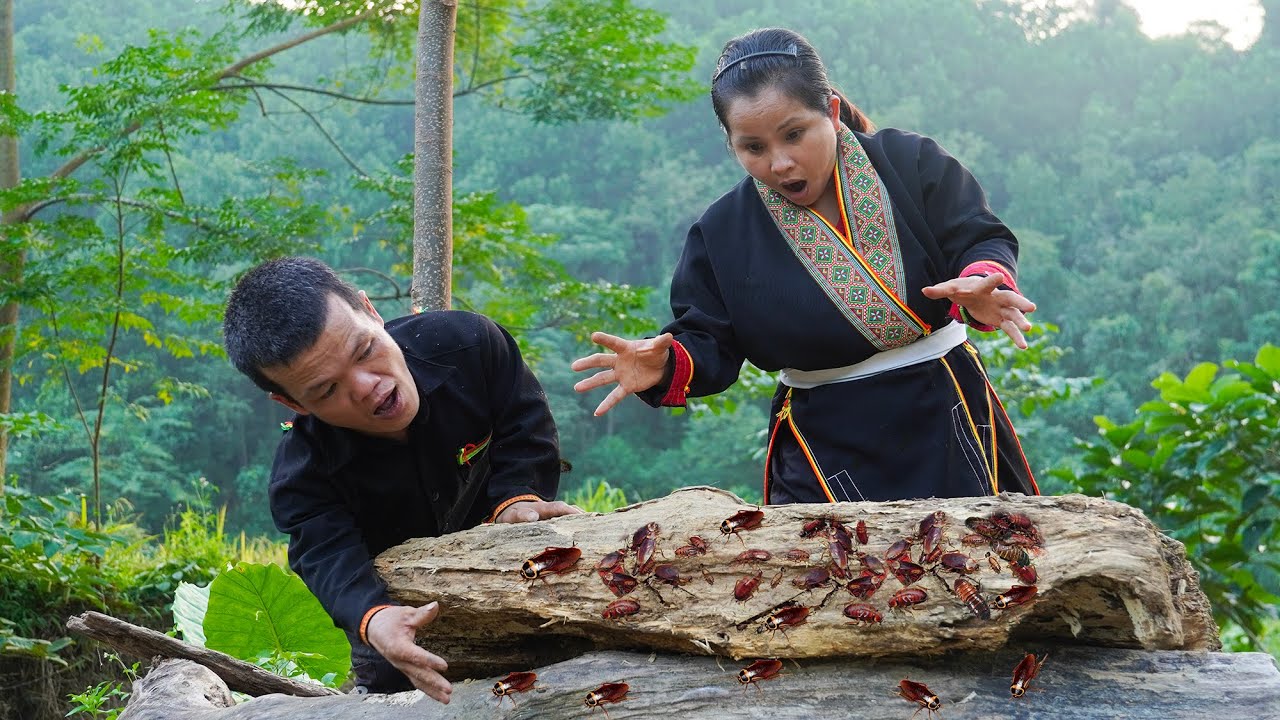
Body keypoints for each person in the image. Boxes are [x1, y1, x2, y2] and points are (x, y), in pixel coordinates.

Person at [571, 27, 1039, 504]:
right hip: (821, 442)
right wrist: (667, 362)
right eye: (753, 148)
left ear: (832, 113)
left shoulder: (910, 161)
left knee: (981, 565)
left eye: (794, 135)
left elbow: (977, 235)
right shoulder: (722, 233)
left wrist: (982, 286)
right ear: (730, 143)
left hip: (945, 409)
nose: (780, 163)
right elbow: (708, 337)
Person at [222, 256, 578, 703]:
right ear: (293, 404)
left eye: (364, 350)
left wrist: (517, 498)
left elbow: (524, 424)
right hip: (398, 623)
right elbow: (327, 556)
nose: (368, 385)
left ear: (371, 311)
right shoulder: (303, 477)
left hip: (508, 578)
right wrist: (375, 618)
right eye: (328, 390)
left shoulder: (471, 345)